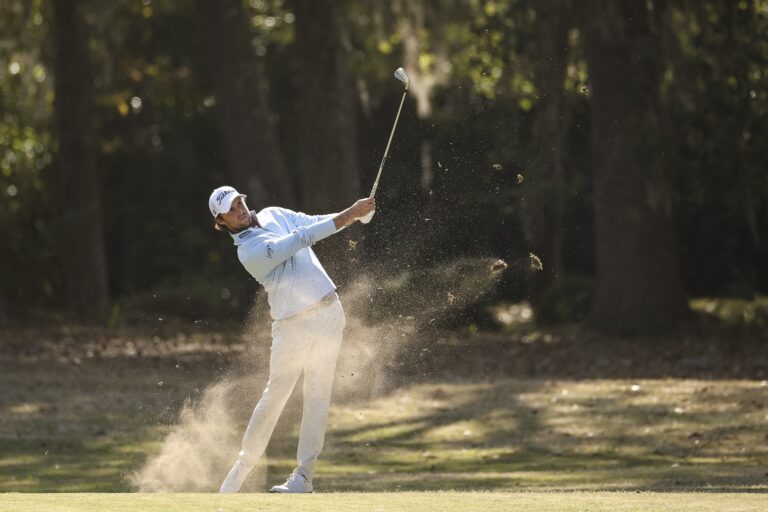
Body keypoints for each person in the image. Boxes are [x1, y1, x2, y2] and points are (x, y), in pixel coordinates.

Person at [208, 185, 375, 494]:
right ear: (222, 222)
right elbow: (300, 239)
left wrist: (356, 216)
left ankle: (303, 478)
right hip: (291, 327)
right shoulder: (249, 252)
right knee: (275, 398)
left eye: (239, 202)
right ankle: (238, 476)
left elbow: (312, 222)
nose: (239, 210)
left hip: (329, 312)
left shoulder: (273, 213)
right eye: (230, 210)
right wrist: (350, 213)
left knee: (317, 396)